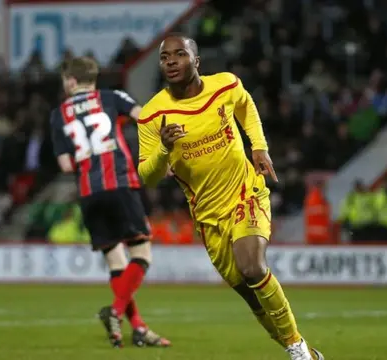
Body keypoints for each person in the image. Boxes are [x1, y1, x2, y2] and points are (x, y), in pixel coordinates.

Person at [136, 34, 325, 360]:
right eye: (165, 57)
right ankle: (303, 348)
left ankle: (298, 352)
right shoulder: (153, 115)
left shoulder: (224, 85)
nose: (171, 61)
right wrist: (164, 149)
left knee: (253, 266)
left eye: (180, 54)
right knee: (253, 297)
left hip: (245, 194)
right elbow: (147, 177)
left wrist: (259, 145)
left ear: (196, 61)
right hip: (208, 217)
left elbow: (246, 105)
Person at [49, 57, 170, 348]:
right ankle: (114, 312)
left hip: (89, 194)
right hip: (119, 184)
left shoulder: (59, 114)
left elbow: (66, 165)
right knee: (142, 255)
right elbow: (145, 118)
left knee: (117, 263)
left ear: (71, 80)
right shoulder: (111, 97)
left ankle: (138, 328)